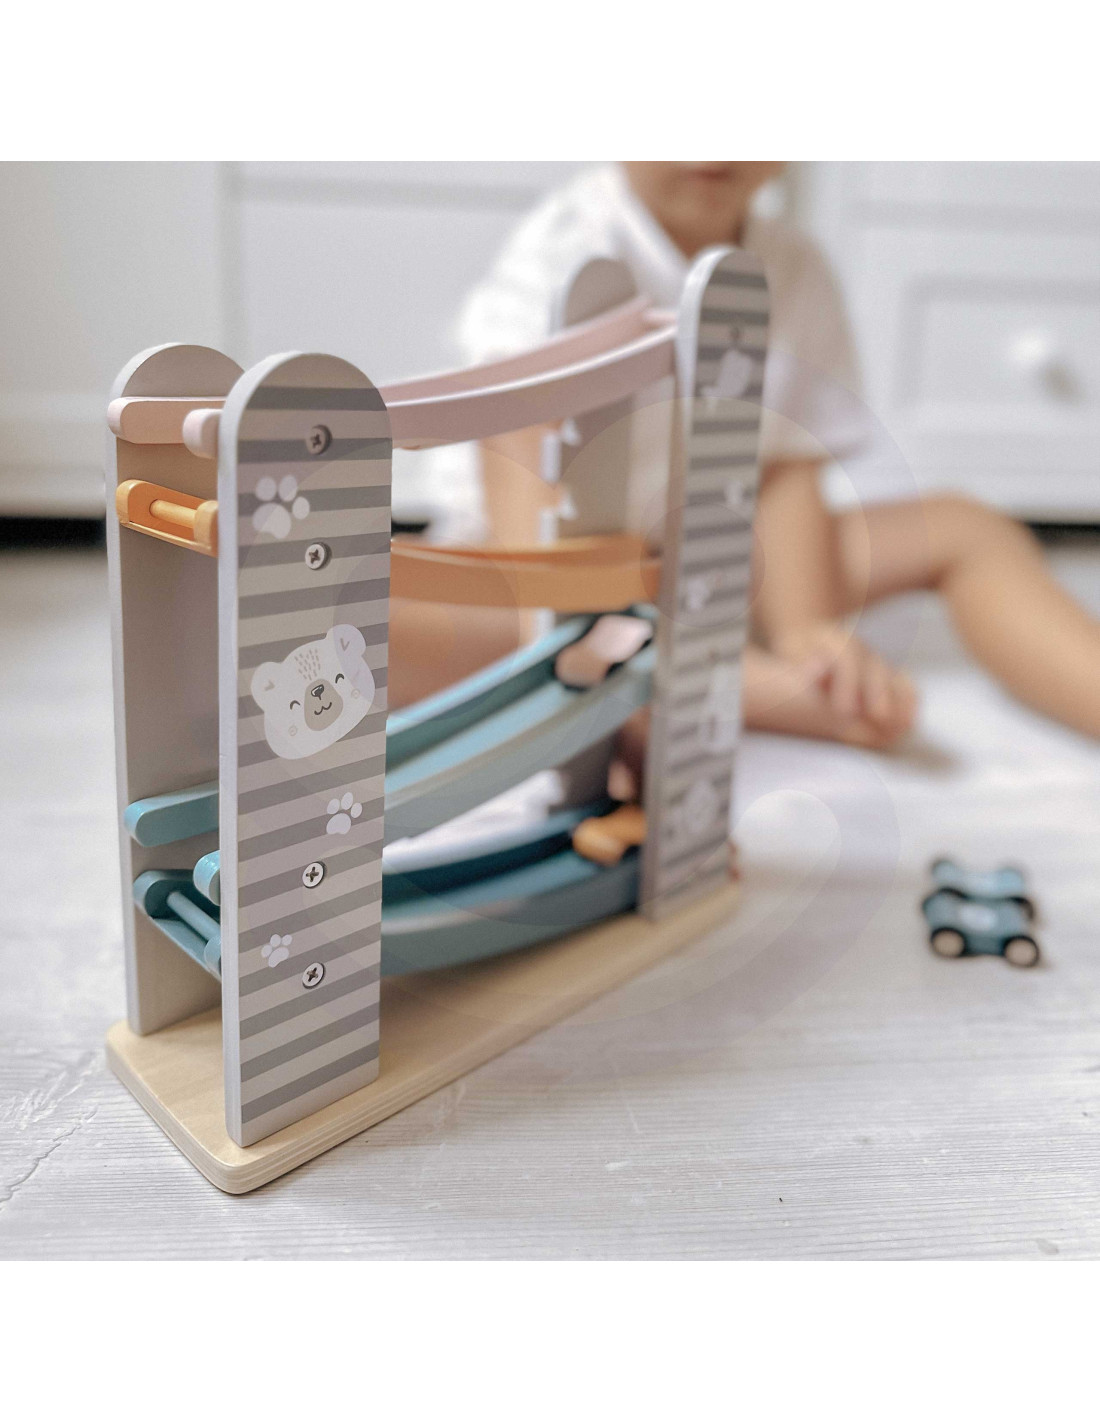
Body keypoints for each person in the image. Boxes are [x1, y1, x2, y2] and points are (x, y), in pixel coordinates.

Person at [393, 161, 1100, 747]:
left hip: (705, 558)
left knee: (964, 528)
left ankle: (694, 681)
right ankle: (725, 689)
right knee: (375, 616)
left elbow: (785, 472)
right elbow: (527, 519)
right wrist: (586, 627)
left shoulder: (795, 268)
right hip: (539, 571)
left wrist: (808, 634)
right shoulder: (563, 255)